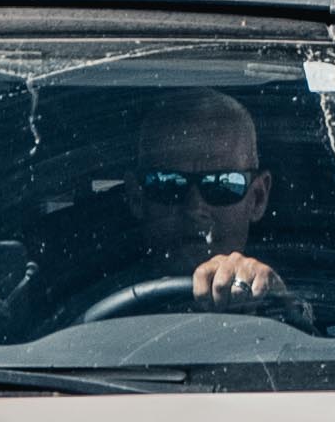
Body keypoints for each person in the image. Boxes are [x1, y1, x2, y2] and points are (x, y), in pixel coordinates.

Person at [114, 89, 284, 308]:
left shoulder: (318, 291)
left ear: (258, 198)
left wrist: (279, 305)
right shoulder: (77, 303)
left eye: (221, 184)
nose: (195, 208)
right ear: (136, 197)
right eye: (168, 184)